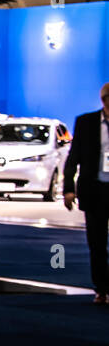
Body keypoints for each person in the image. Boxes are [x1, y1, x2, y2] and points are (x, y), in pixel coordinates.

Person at [62, 81, 109, 305]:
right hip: (94, 190)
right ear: (104, 100)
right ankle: (101, 288)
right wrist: (68, 188)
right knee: (97, 243)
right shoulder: (86, 122)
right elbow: (74, 156)